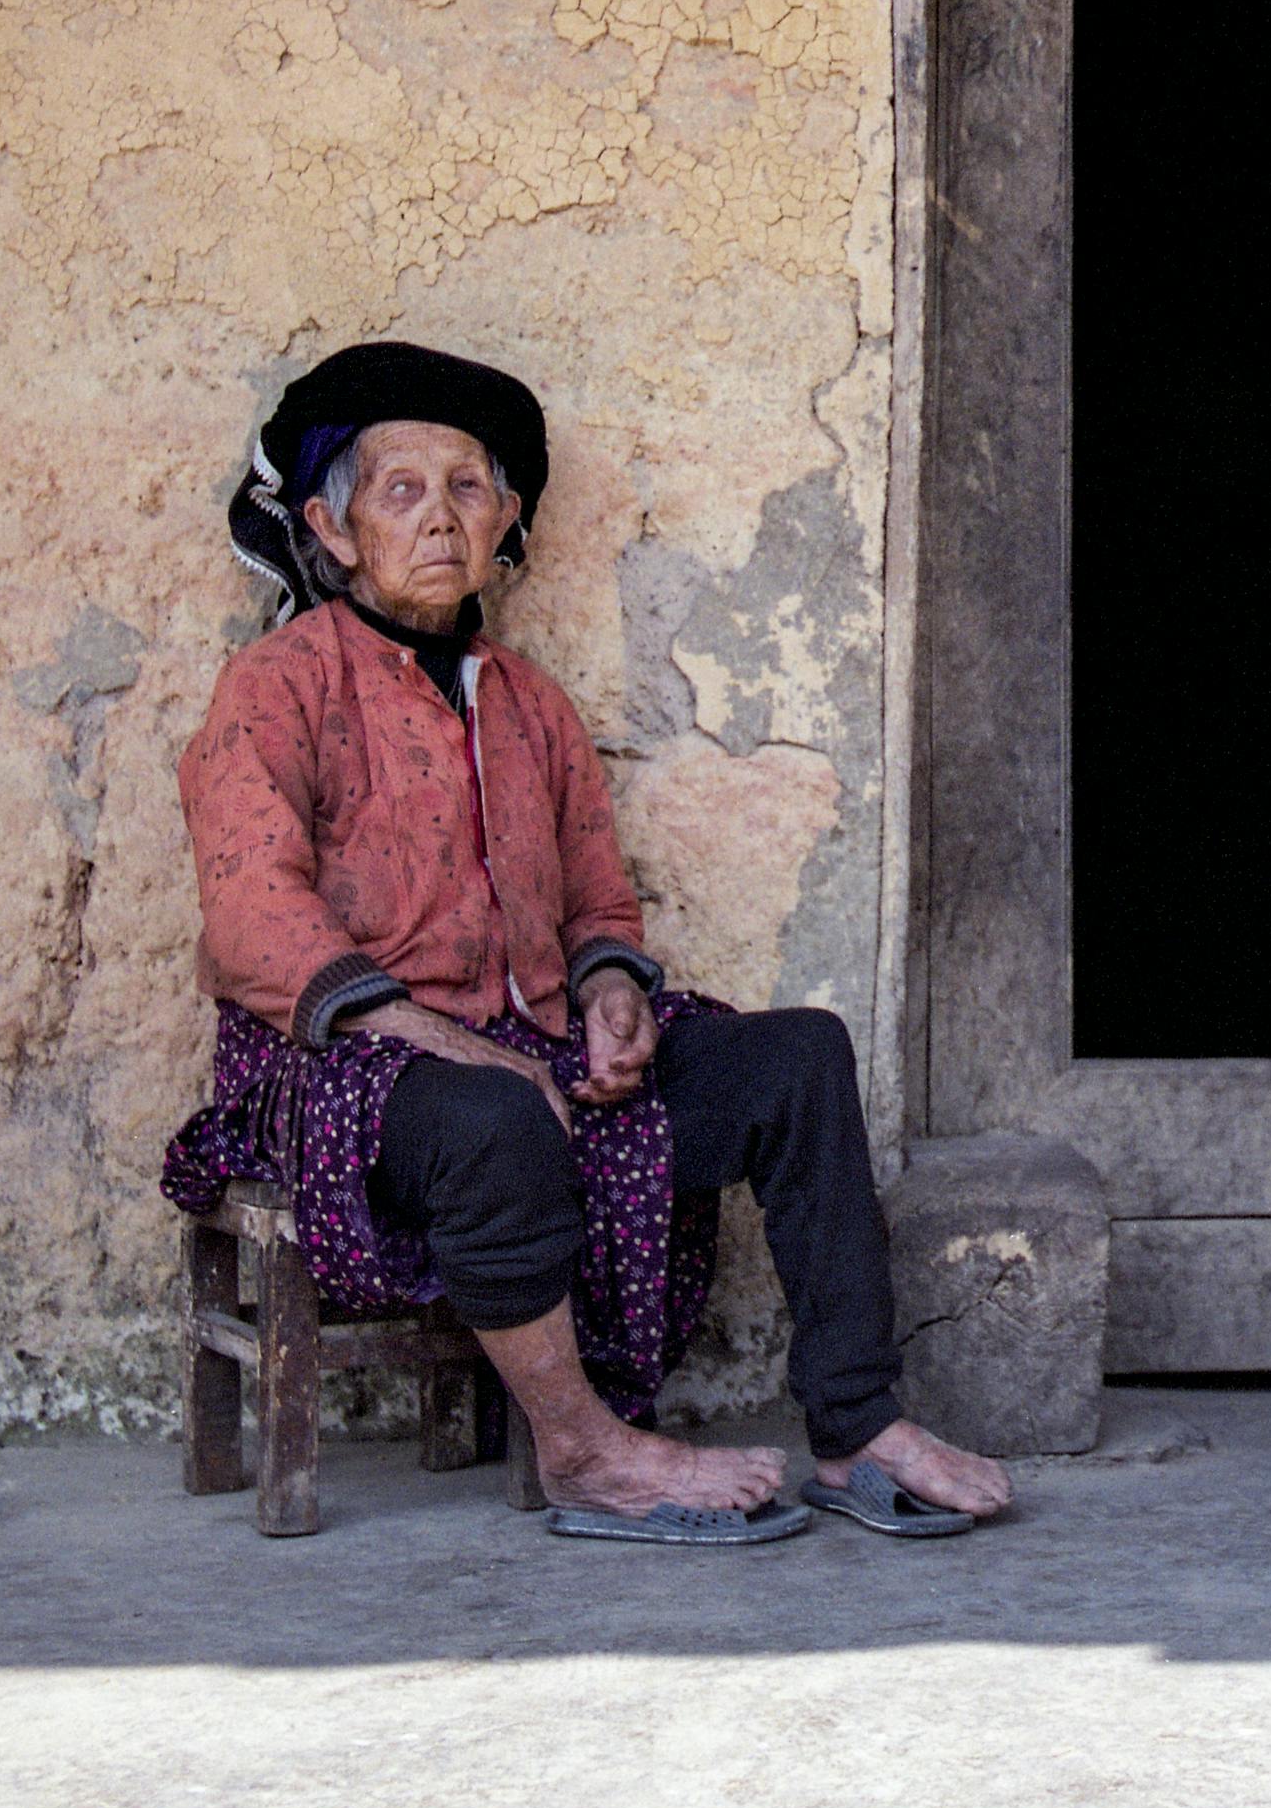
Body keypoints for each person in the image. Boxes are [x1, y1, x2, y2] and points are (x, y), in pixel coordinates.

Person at [161, 339, 1011, 1546]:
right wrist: (435, 1039)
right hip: (338, 1060)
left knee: (798, 1061)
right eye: (401, 490)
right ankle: (584, 1452)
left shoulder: (529, 704)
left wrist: (611, 988)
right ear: (332, 527)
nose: (442, 518)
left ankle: (856, 1425)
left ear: (506, 519)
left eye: (470, 489)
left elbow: (598, 903)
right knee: (494, 1115)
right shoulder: (277, 686)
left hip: (529, 1046)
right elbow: (252, 912)